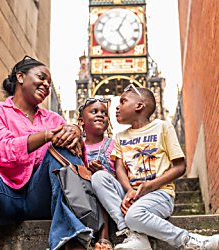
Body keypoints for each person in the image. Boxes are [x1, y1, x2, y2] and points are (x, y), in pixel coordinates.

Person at [0, 55, 93, 250]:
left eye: (49, 83)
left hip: (41, 197)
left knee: (63, 146)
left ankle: (69, 237)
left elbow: (75, 162)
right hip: (3, 196)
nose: (46, 85)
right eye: (41, 77)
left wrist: (76, 134)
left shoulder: (54, 119)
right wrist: (44, 136)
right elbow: (1, 150)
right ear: (20, 77)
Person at [91, 84, 219, 250]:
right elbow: (120, 167)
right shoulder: (120, 136)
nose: (117, 106)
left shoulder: (162, 127)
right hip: (132, 194)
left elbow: (180, 167)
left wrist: (150, 186)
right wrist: (129, 190)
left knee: (134, 215)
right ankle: (134, 236)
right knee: (98, 177)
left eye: (123, 101)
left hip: (160, 194)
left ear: (139, 106)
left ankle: (190, 241)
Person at [78, 97, 115, 250]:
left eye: (104, 113)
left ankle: (104, 236)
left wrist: (102, 172)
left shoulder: (113, 144)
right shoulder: (77, 145)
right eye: (94, 112)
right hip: (84, 196)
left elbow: (120, 176)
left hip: (108, 194)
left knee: (98, 181)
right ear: (81, 121)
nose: (100, 115)